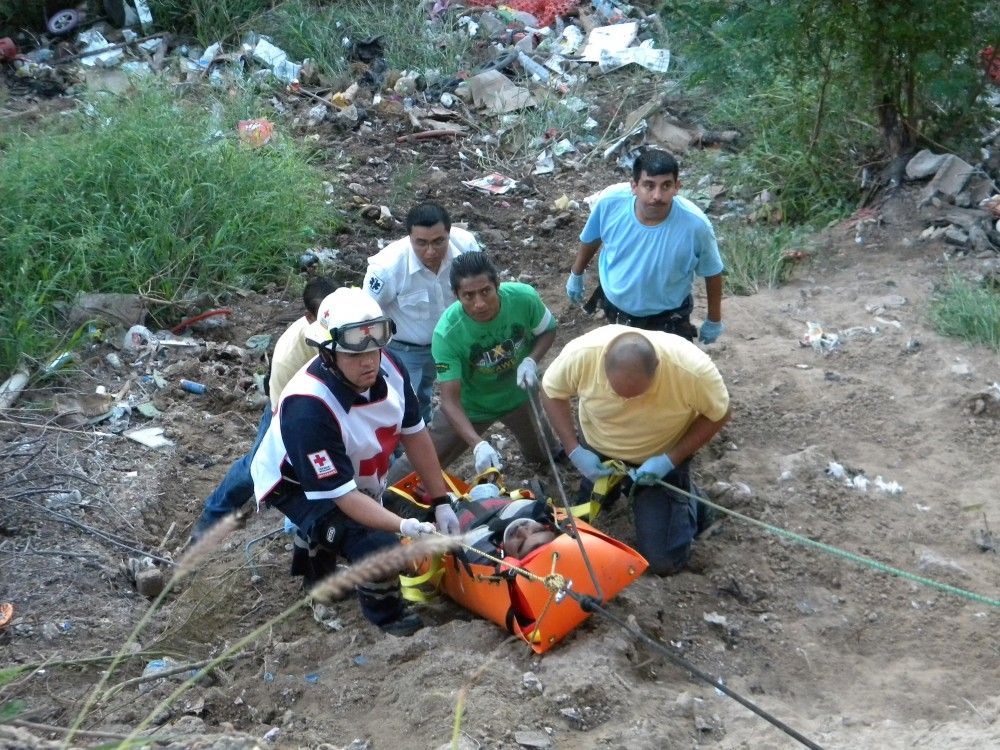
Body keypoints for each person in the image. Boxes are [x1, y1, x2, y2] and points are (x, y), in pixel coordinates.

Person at [249, 287, 461, 637]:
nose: (368, 362)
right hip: (295, 482)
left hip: (349, 463)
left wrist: (441, 501)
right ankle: (387, 617)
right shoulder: (308, 408)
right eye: (353, 355)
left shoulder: (389, 367)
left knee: (370, 516)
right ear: (328, 353)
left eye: (374, 350)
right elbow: (343, 497)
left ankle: (317, 542)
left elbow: (415, 433)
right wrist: (402, 527)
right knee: (375, 545)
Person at [541, 325, 731, 575]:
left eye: (636, 395)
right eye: (619, 394)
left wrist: (669, 460)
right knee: (577, 524)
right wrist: (574, 449)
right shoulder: (583, 355)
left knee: (664, 561)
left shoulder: (690, 370)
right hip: (598, 449)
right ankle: (616, 489)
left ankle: (696, 502)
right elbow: (551, 391)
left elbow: (720, 413)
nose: (627, 403)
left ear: (657, 369)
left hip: (659, 456)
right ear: (603, 364)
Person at [386, 252, 558, 485]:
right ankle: (380, 498)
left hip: (518, 396)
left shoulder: (523, 298)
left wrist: (531, 361)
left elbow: (547, 330)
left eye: (485, 291)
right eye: (468, 295)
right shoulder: (447, 333)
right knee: (419, 464)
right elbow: (450, 401)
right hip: (471, 407)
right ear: (455, 295)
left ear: (497, 285)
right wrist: (477, 443)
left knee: (547, 453)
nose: (479, 303)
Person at [190, 276, 335, 540]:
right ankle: (212, 516)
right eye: (325, 315)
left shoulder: (343, 327)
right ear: (310, 316)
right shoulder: (298, 351)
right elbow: (289, 410)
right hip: (287, 404)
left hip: (319, 399)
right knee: (258, 465)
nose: (333, 319)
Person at [565, 149, 726, 344]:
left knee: (667, 372)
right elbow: (592, 237)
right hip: (616, 308)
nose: (657, 195)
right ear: (634, 186)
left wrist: (714, 319)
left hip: (668, 316)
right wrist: (576, 273)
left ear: (677, 187)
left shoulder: (696, 225)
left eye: (666, 186)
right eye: (649, 186)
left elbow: (712, 272)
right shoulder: (610, 202)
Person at [363, 202, 481, 425]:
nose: (430, 252)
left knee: (459, 395)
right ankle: (404, 457)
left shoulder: (466, 246)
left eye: (439, 242)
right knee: (404, 408)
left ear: (449, 233)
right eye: (421, 243)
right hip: (406, 351)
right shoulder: (387, 268)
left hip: (454, 342)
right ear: (409, 238)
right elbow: (366, 314)